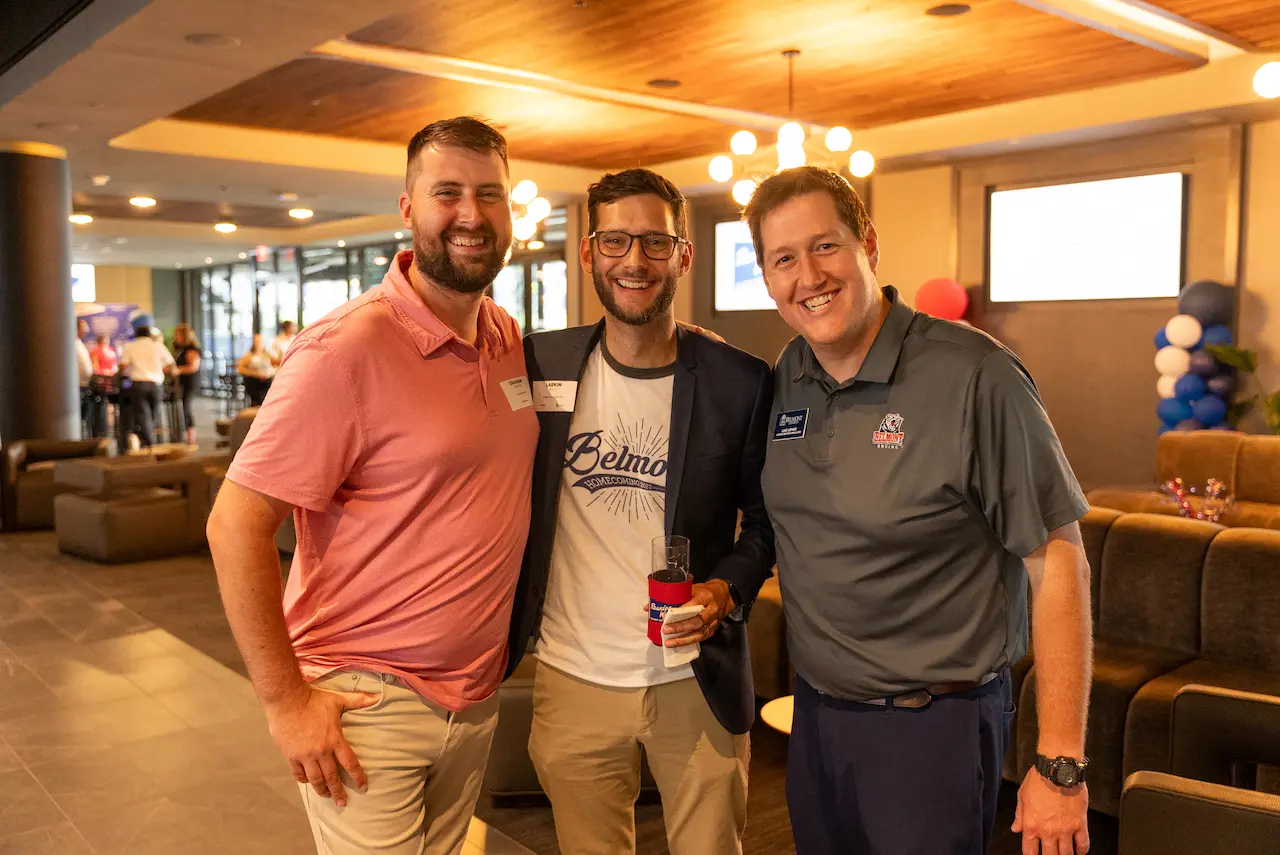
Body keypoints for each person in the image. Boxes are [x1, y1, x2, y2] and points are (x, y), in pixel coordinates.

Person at [206, 116, 538, 855]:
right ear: (408, 208)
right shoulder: (344, 348)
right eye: (446, 192)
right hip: (368, 701)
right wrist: (286, 701)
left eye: (491, 194)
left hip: (474, 696)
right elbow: (234, 525)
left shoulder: (506, 338)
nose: (471, 214)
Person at [743, 166, 1093, 855]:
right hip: (814, 721)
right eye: (783, 258)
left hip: (933, 726)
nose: (808, 275)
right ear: (765, 275)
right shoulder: (788, 375)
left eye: (825, 246)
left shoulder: (975, 375)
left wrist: (1060, 763)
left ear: (867, 243)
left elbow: (1057, 558)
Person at [509, 168, 775, 855]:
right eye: (616, 240)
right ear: (588, 251)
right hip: (573, 678)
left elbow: (766, 526)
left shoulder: (739, 382)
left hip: (694, 676)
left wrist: (725, 590)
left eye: (655, 243)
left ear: (683, 255)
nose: (635, 260)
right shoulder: (541, 365)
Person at [119, 324, 175, 448]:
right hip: (156, 385)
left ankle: (149, 442)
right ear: (149, 334)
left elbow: (123, 366)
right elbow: (171, 364)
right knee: (154, 414)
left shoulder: (130, 346)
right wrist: (159, 369)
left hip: (138, 384)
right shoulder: (157, 346)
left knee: (142, 414)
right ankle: (147, 440)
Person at [172, 324, 201, 446]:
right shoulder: (180, 349)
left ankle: (191, 437)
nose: (176, 337)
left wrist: (178, 370)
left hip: (189, 383)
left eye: (178, 334)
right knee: (182, 407)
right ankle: (183, 434)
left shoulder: (192, 350)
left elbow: (193, 367)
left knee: (186, 407)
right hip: (180, 383)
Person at [236, 334, 275, 406]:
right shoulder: (248, 356)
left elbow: (274, 366)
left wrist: (270, 373)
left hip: (267, 380)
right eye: (257, 342)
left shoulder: (267, 354)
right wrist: (253, 373)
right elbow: (240, 369)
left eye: (260, 342)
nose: (258, 344)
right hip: (254, 381)